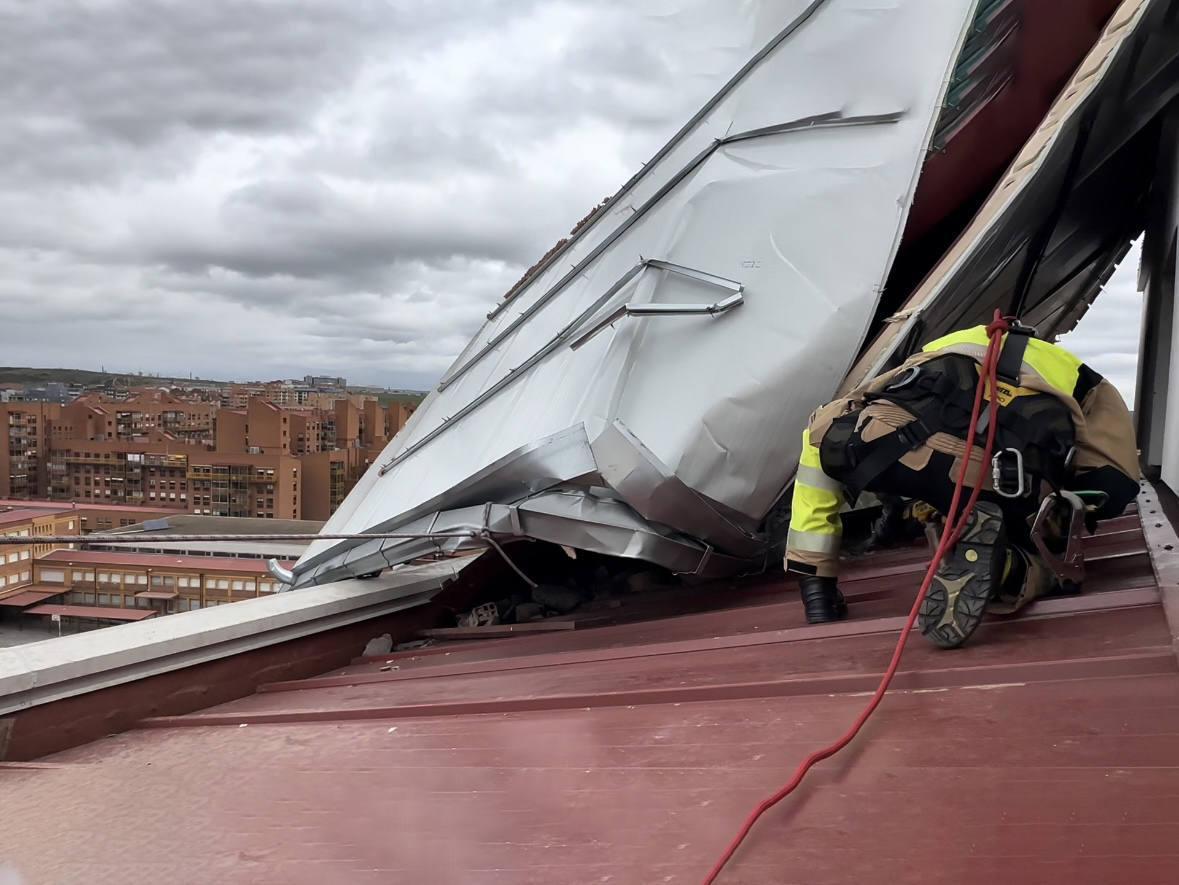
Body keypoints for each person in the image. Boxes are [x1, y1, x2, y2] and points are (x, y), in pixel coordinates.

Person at [784, 322, 1139, 647]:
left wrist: (817, 579)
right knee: (1052, 534)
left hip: (893, 452)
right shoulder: (1085, 379)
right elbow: (1115, 485)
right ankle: (1012, 568)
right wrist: (1072, 504)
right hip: (1002, 481)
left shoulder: (938, 348)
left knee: (827, 439)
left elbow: (827, 425)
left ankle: (818, 585)